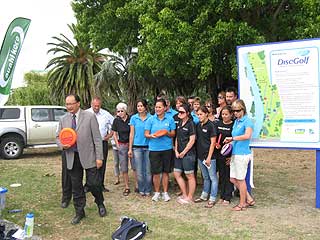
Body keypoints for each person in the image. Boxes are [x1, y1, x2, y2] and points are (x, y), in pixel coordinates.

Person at [56, 94, 106, 225]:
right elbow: (57, 137)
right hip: (72, 157)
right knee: (76, 186)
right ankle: (79, 212)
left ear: (78, 103)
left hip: (89, 156)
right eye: (67, 104)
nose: (69, 107)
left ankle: (100, 203)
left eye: (71, 104)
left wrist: (99, 157)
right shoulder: (63, 119)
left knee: (94, 183)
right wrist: (62, 145)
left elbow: (97, 139)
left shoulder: (89, 117)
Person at [224, 99, 255, 211]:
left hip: (242, 154)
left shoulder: (247, 121)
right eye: (233, 111)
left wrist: (232, 138)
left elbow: (247, 136)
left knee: (240, 180)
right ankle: (249, 198)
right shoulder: (237, 121)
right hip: (235, 153)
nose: (235, 113)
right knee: (233, 179)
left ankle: (242, 204)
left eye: (237, 110)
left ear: (243, 109)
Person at [145, 99, 176, 202]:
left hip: (167, 149)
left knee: (165, 172)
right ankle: (157, 192)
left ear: (165, 108)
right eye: (156, 107)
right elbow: (146, 134)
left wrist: (166, 133)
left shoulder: (170, 119)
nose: (157, 109)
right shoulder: (151, 119)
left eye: (159, 107)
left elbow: (173, 134)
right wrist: (152, 136)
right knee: (156, 172)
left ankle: (165, 193)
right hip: (154, 149)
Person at [86, 96, 114, 192]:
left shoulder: (106, 114)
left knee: (102, 164)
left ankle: (100, 185)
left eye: (98, 106)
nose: (96, 108)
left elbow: (115, 124)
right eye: (95, 106)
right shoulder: (86, 113)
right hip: (89, 143)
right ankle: (88, 185)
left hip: (102, 142)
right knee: (89, 164)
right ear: (91, 104)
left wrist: (110, 135)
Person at [194, 105, 218, 208]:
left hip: (210, 157)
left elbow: (213, 143)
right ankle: (204, 195)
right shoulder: (198, 125)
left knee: (213, 178)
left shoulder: (211, 125)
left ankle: (212, 198)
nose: (199, 116)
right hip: (200, 156)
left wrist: (209, 157)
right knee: (205, 177)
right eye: (198, 114)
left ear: (206, 114)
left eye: (201, 114)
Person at [128, 99, 152, 197]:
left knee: (148, 170)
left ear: (145, 107)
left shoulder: (151, 118)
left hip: (149, 147)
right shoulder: (134, 118)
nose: (140, 108)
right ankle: (141, 189)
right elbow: (132, 134)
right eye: (138, 106)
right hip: (136, 147)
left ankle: (148, 189)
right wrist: (130, 148)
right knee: (139, 170)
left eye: (141, 106)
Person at [112, 103, 136, 196]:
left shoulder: (131, 119)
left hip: (131, 144)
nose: (120, 113)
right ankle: (127, 186)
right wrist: (117, 144)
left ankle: (137, 185)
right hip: (122, 145)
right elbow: (114, 133)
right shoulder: (116, 121)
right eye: (118, 111)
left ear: (125, 111)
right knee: (123, 167)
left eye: (122, 111)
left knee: (134, 165)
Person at [174, 104, 196, 204]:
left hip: (188, 154)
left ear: (187, 113)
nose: (180, 114)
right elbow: (177, 138)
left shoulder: (191, 124)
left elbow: (192, 140)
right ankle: (184, 194)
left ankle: (190, 197)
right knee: (177, 173)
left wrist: (184, 152)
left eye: (182, 112)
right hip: (179, 154)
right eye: (179, 112)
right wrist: (176, 150)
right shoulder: (179, 122)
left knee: (189, 175)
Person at [215, 106, 234, 205]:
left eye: (226, 114)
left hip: (229, 155)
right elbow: (215, 137)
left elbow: (235, 141)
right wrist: (216, 144)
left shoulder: (234, 125)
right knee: (221, 175)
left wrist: (232, 156)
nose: (224, 116)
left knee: (228, 176)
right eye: (223, 114)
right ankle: (222, 195)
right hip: (219, 154)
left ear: (231, 114)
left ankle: (228, 196)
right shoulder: (218, 123)